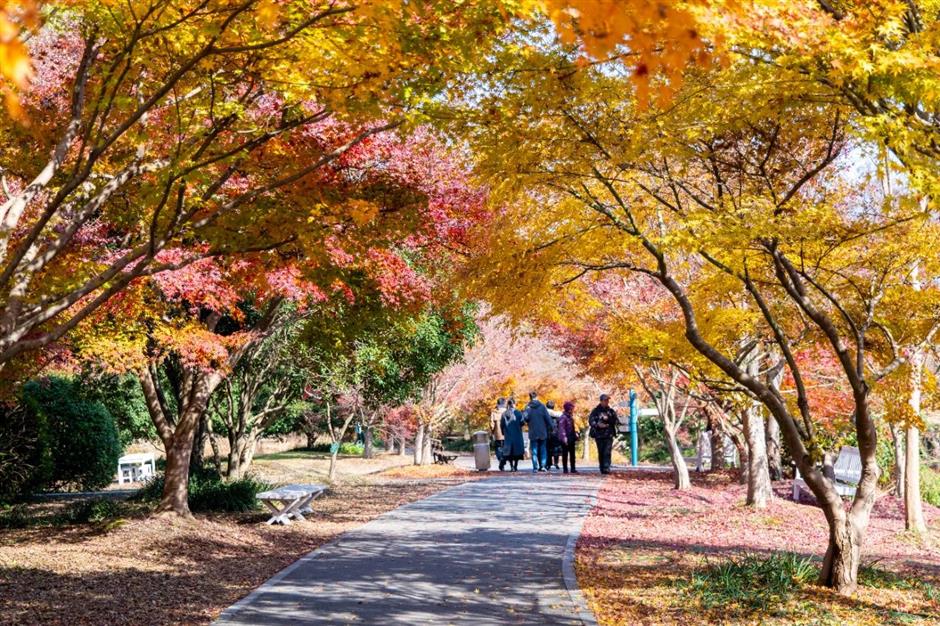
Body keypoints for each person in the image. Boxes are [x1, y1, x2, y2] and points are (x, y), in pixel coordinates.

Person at [523, 390, 553, 473]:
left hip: (533, 431)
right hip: (542, 431)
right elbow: (548, 418)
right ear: (537, 397)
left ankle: (535, 467)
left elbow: (525, 418)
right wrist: (552, 427)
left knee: (534, 450)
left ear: (530, 397)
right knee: (543, 449)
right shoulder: (542, 406)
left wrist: (529, 421)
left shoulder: (527, 407)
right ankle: (543, 466)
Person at [589, 393, 618, 474]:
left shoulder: (611, 411)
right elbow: (591, 421)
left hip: (609, 434)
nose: (607, 402)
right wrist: (597, 425)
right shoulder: (595, 411)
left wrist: (608, 419)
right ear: (601, 401)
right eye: (605, 400)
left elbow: (616, 421)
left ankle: (606, 467)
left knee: (607, 451)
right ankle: (602, 467)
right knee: (601, 451)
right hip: (599, 435)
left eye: (608, 400)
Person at [500, 399, 525, 472]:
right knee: (516, 451)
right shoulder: (519, 413)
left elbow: (502, 424)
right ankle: (516, 465)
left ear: (508, 404)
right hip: (517, 434)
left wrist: (503, 432)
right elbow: (522, 423)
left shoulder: (504, 414)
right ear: (514, 404)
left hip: (508, 434)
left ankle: (511, 466)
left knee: (509, 451)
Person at [557, 400, 579, 473]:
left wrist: (575, 434)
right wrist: (564, 438)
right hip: (566, 438)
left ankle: (573, 468)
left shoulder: (570, 417)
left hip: (571, 437)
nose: (573, 410)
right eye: (572, 408)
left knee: (572, 454)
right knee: (565, 454)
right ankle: (565, 469)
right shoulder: (563, 417)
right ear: (568, 409)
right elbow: (561, 429)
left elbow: (572, 427)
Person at [491, 398, 507, 471]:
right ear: (504, 404)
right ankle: (503, 458)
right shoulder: (507, 412)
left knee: (498, 448)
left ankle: (500, 458)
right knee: (505, 448)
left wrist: (492, 432)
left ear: (497, 404)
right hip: (506, 435)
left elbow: (491, 425)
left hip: (497, 434)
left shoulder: (494, 413)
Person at [546, 400, 562, 470]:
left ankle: (549, 464)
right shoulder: (557, 415)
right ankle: (556, 463)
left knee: (548, 449)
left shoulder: (545, 415)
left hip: (547, 433)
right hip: (556, 433)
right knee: (556, 448)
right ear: (553, 407)